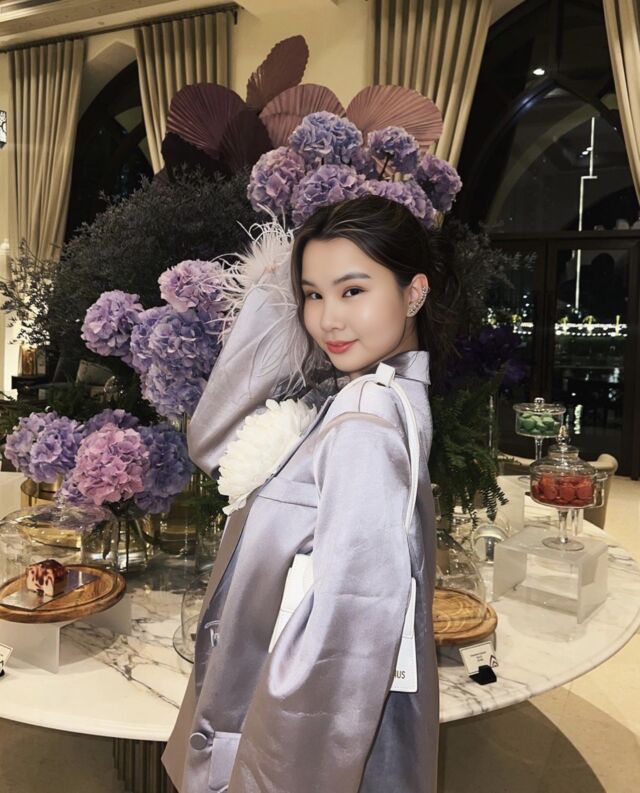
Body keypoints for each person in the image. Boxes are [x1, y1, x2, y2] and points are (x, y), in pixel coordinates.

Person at [162, 195, 459, 793]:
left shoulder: (365, 419)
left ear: (414, 293)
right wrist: (270, 285)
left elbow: (348, 623)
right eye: (312, 294)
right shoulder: (381, 394)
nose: (328, 320)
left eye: (353, 291)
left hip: (299, 740)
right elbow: (216, 441)